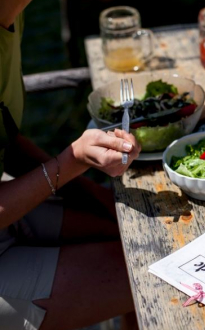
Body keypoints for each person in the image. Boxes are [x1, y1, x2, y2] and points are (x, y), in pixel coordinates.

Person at [1, 1, 141, 329]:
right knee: (149, 267)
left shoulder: (12, 17)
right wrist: (73, 160)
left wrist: (99, 196)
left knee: (132, 231)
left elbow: (7, 142)